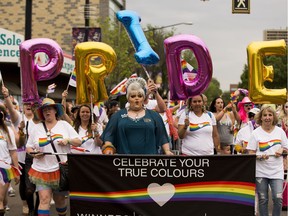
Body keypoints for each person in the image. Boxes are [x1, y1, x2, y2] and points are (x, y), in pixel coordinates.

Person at [26, 98, 81, 216]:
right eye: (44, 109)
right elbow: (29, 147)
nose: (47, 112)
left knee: (60, 202)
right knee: (44, 199)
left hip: (60, 169)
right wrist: (33, 154)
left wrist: (68, 140)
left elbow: (78, 141)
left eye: (49, 109)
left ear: (55, 110)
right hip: (41, 169)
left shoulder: (64, 125)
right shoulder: (37, 128)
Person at [101, 78, 173, 155]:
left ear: (143, 98)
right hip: (124, 161)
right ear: (128, 98)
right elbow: (109, 135)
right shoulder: (117, 116)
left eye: (140, 96)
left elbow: (162, 136)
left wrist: (167, 151)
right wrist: (108, 146)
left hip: (149, 161)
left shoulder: (154, 115)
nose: (136, 98)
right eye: (133, 96)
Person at [247, 106, 288, 216]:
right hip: (261, 171)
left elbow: (286, 148)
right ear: (260, 117)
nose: (267, 117)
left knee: (277, 198)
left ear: (274, 116)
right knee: (263, 199)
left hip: (277, 171)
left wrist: (282, 149)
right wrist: (260, 156)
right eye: (265, 115)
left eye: (270, 115)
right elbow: (250, 153)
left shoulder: (280, 132)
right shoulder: (255, 133)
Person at [0, 104, 20, 216]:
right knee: (2, 199)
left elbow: (13, 151)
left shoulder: (8, 131)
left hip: (4, 168)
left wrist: (16, 170)